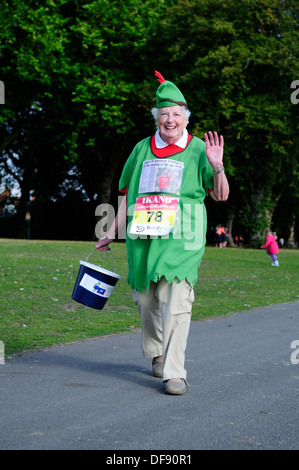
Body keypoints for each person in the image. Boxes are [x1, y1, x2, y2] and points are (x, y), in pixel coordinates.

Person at [96, 71, 229, 395]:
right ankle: (156, 351)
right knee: (145, 299)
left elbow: (221, 195)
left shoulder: (199, 148)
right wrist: (111, 230)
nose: (170, 120)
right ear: (157, 118)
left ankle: (174, 372)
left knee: (175, 297)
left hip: (183, 236)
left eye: (176, 114)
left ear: (185, 118)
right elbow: (127, 193)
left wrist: (217, 166)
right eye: (164, 114)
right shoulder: (142, 148)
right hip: (144, 236)